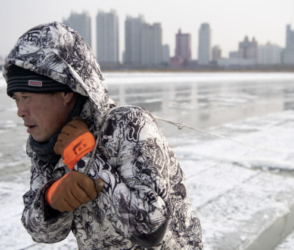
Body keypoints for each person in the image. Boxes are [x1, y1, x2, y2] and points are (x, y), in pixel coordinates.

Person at [3, 22, 203, 250]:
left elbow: (150, 229)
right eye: (16, 99)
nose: (20, 111)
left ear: (65, 92)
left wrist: (84, 155)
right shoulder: (45, 147)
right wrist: (50, 201)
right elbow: (43, 234)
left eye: (26, 97)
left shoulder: (127, 124)